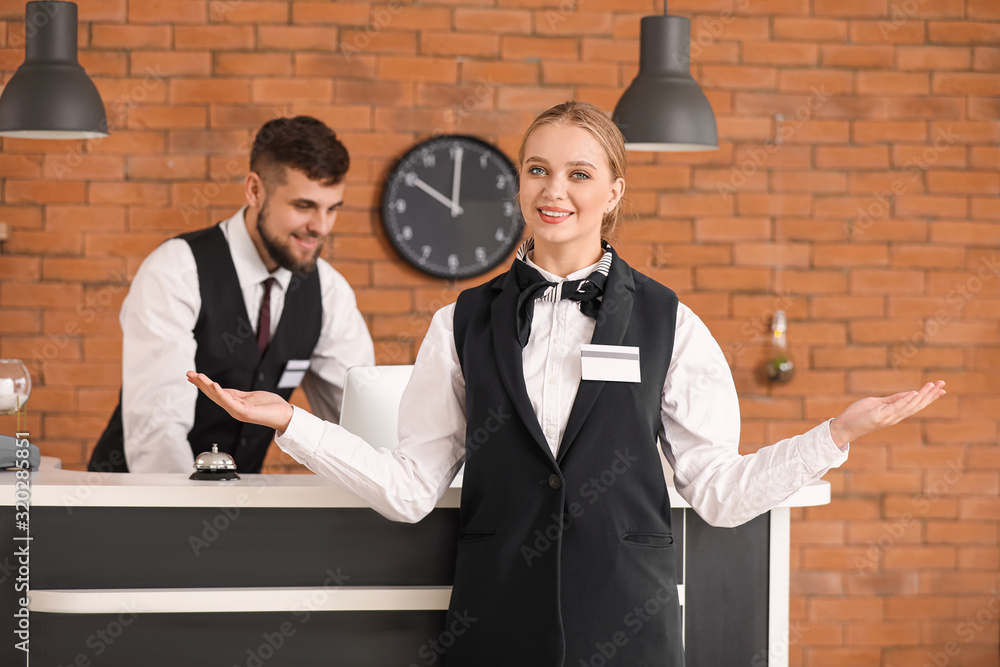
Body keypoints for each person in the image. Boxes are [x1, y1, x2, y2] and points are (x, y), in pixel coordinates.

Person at [187, 102, 945, 665]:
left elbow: (717, 489)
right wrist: (292, 423)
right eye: (539, 169)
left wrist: (835, 436)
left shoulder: (670, 321)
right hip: (495, 620)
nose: (556, 189)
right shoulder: (461, 320)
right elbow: (411, 487)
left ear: (613, 190)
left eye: (580, 172)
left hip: (628, 621)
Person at [90, 116, 375, 474]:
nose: (321, 227)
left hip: (234, 504)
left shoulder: (328, 291)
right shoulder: (176, 270)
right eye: (304, 206)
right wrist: (184, 521)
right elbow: (157, 433)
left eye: (332, 208)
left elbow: (359, 420)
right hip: (135, 503)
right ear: (255, 190)